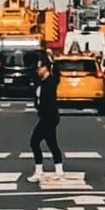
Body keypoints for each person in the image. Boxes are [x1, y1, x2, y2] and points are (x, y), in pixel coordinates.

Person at [28, 45, 65, 174]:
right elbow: (31, 72)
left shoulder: (51, 81)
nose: (38, 69)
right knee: (52, 143)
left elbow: (57, 72)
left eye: (40, 67)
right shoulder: (40, 81)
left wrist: (51, 59)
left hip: (50, 116)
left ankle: (39, 170)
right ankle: (58, 169)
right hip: (44, 116)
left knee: (34, 142)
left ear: (46, 68)